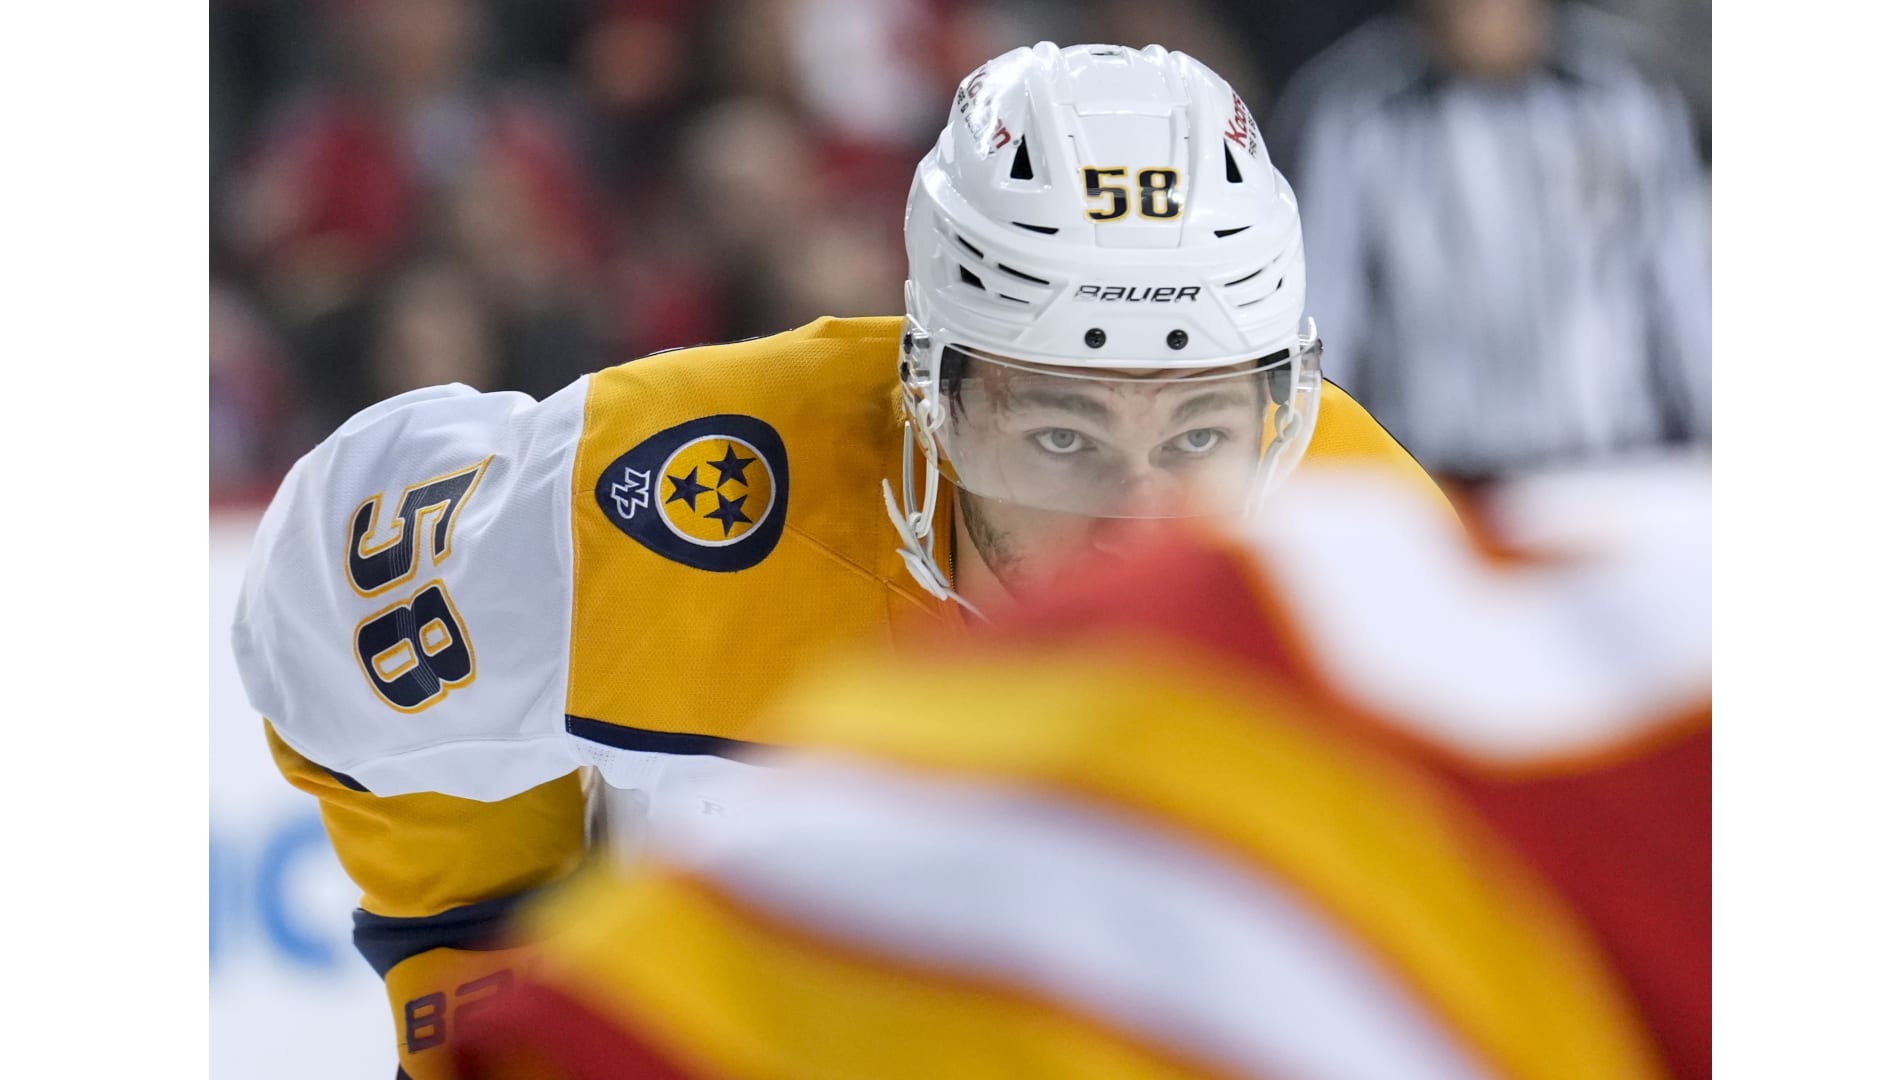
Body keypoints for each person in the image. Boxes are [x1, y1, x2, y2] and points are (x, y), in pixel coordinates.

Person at [231, 41, 1446, 1080]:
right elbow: (335, 611)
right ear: (935, 403)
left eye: (1198, 436)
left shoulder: (1390, 570)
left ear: (1284, 413)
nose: (1142, 524)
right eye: (1063, 436)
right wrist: (482, 963)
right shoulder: (687, 499)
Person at [445, 454, 1711, 1080]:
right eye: (1059, 424)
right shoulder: (643, 470)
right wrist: (438, 949)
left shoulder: (1346, 531)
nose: (1140, 499)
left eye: (1198, 417)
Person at [1267, 0, 1711, 481]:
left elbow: (1689, 301)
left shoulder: (1630, 92)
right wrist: (1309, 474)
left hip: (1617, 473)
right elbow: (1322, 324)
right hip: (1438, 486)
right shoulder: (1349, 110)